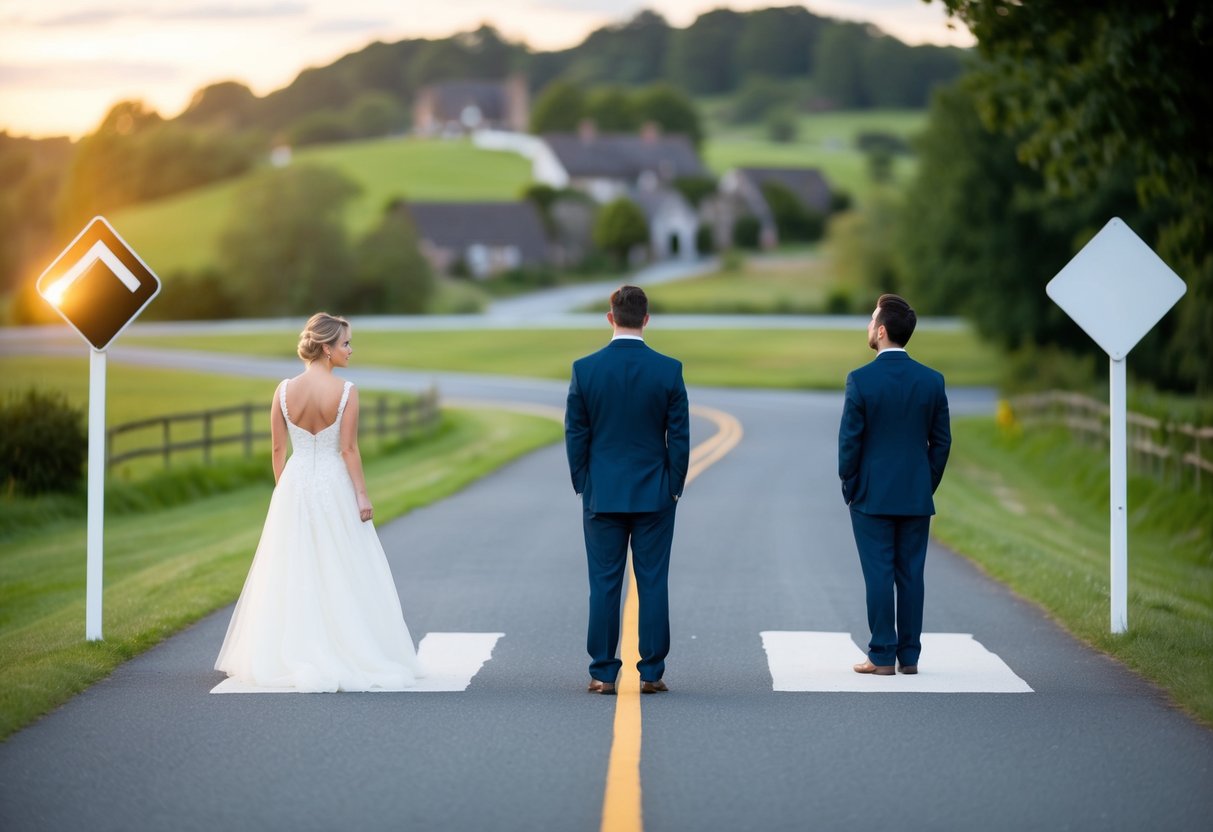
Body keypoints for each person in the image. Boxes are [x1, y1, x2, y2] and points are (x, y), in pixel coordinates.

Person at [215, 313, 424, 691]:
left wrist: (284, 490)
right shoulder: (346, 391)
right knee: (341, 563)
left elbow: (278, 449)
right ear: (327, 349)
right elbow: (348, 449)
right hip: (333, 485)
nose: (350, 350)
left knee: (293, 566)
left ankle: (288, 651)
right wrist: (362, 493)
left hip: (295, 483)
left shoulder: (283, 391)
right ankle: (345, 647)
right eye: (345, 343)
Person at [565, 285, 690, 695]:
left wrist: (583, 482)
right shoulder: (668, 369)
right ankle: (651, 671)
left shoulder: (585, 369)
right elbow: (679, 436)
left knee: (604, 584)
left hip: (602, 492)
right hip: (655, 492)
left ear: (610, 317)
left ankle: (603, 672)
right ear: (646, 319)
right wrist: (673, 486)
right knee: (652, 582)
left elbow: (576, 433)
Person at [838, 293, 951, 676]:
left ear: (882, 331)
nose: (868, 326)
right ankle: (910, 656)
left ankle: (882, 654)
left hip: (871, 496)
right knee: (911, 575)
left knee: (879, 574)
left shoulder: (860, 380)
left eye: (872, 320)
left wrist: (850, 485)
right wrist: (925, 483)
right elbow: (942, 442)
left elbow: (849, 443)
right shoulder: (932, 380)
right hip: (915, 494)